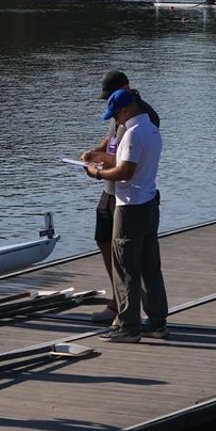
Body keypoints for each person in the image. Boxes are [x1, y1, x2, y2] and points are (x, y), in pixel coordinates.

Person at [84, 89, 167, 342]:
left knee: (125, 268)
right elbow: (129, 162)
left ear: (128, 109)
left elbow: (125, 172)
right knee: (150, 267)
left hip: (130, 207)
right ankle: (157, 323)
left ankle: (128, 326)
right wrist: (101, 158)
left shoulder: (132, 134)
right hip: (150, 204)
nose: (116, 121)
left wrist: (96, 173)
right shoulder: (152, 129)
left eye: (117, 115)